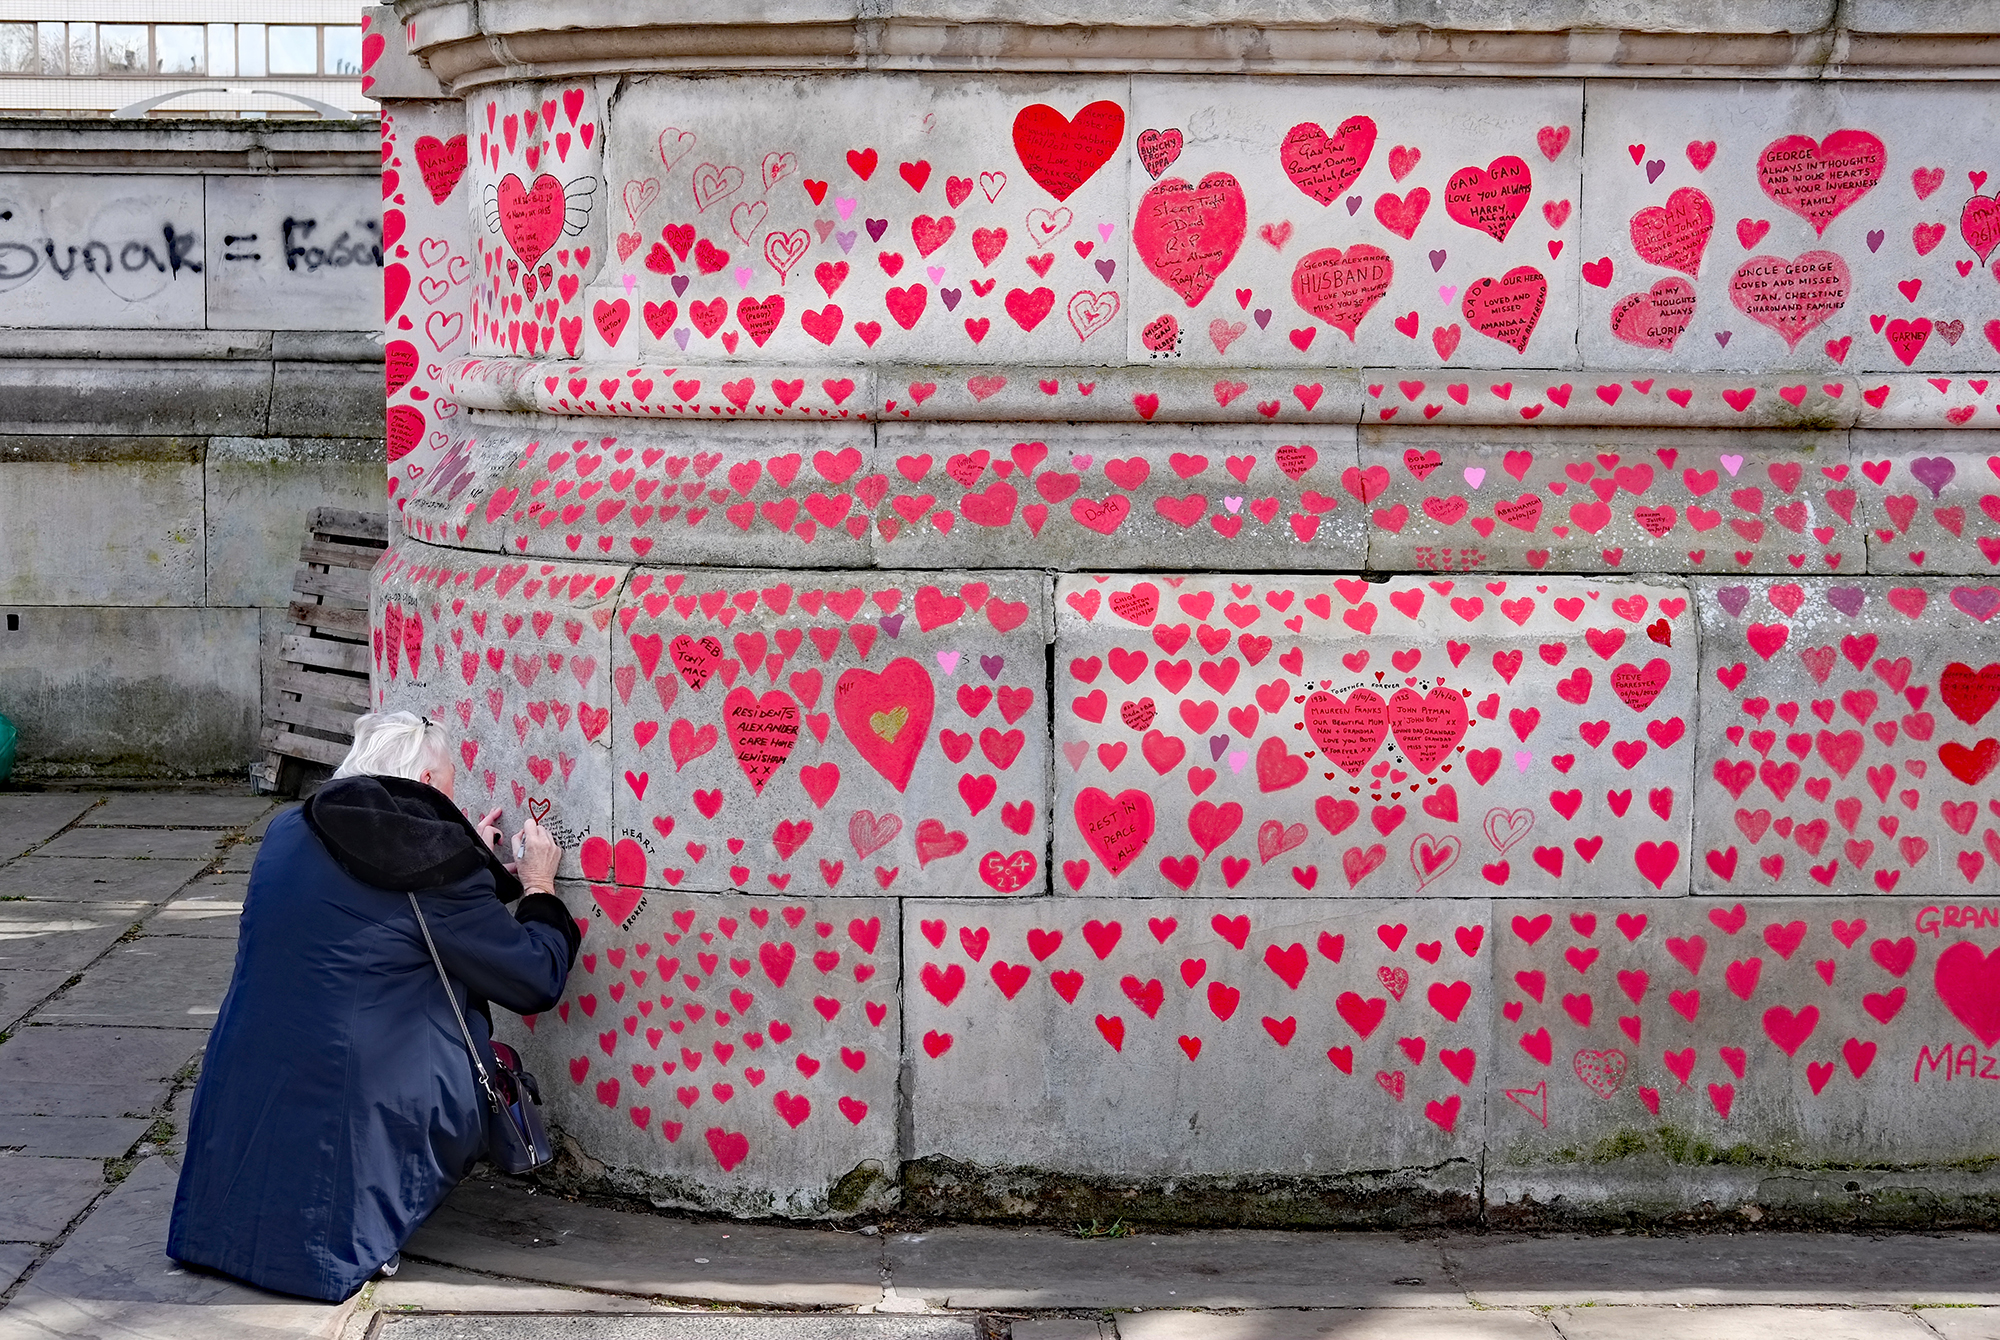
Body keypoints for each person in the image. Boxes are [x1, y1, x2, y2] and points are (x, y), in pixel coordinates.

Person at [167, 711, 580, 1302]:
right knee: (483, 1056)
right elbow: (535, 979)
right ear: (430, 783)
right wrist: (538, 886)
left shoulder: (287, 830)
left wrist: (469, 860)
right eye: (450, 792)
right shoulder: (434, 871)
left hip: (246, 1080)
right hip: (364, 1098)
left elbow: (376, 905)